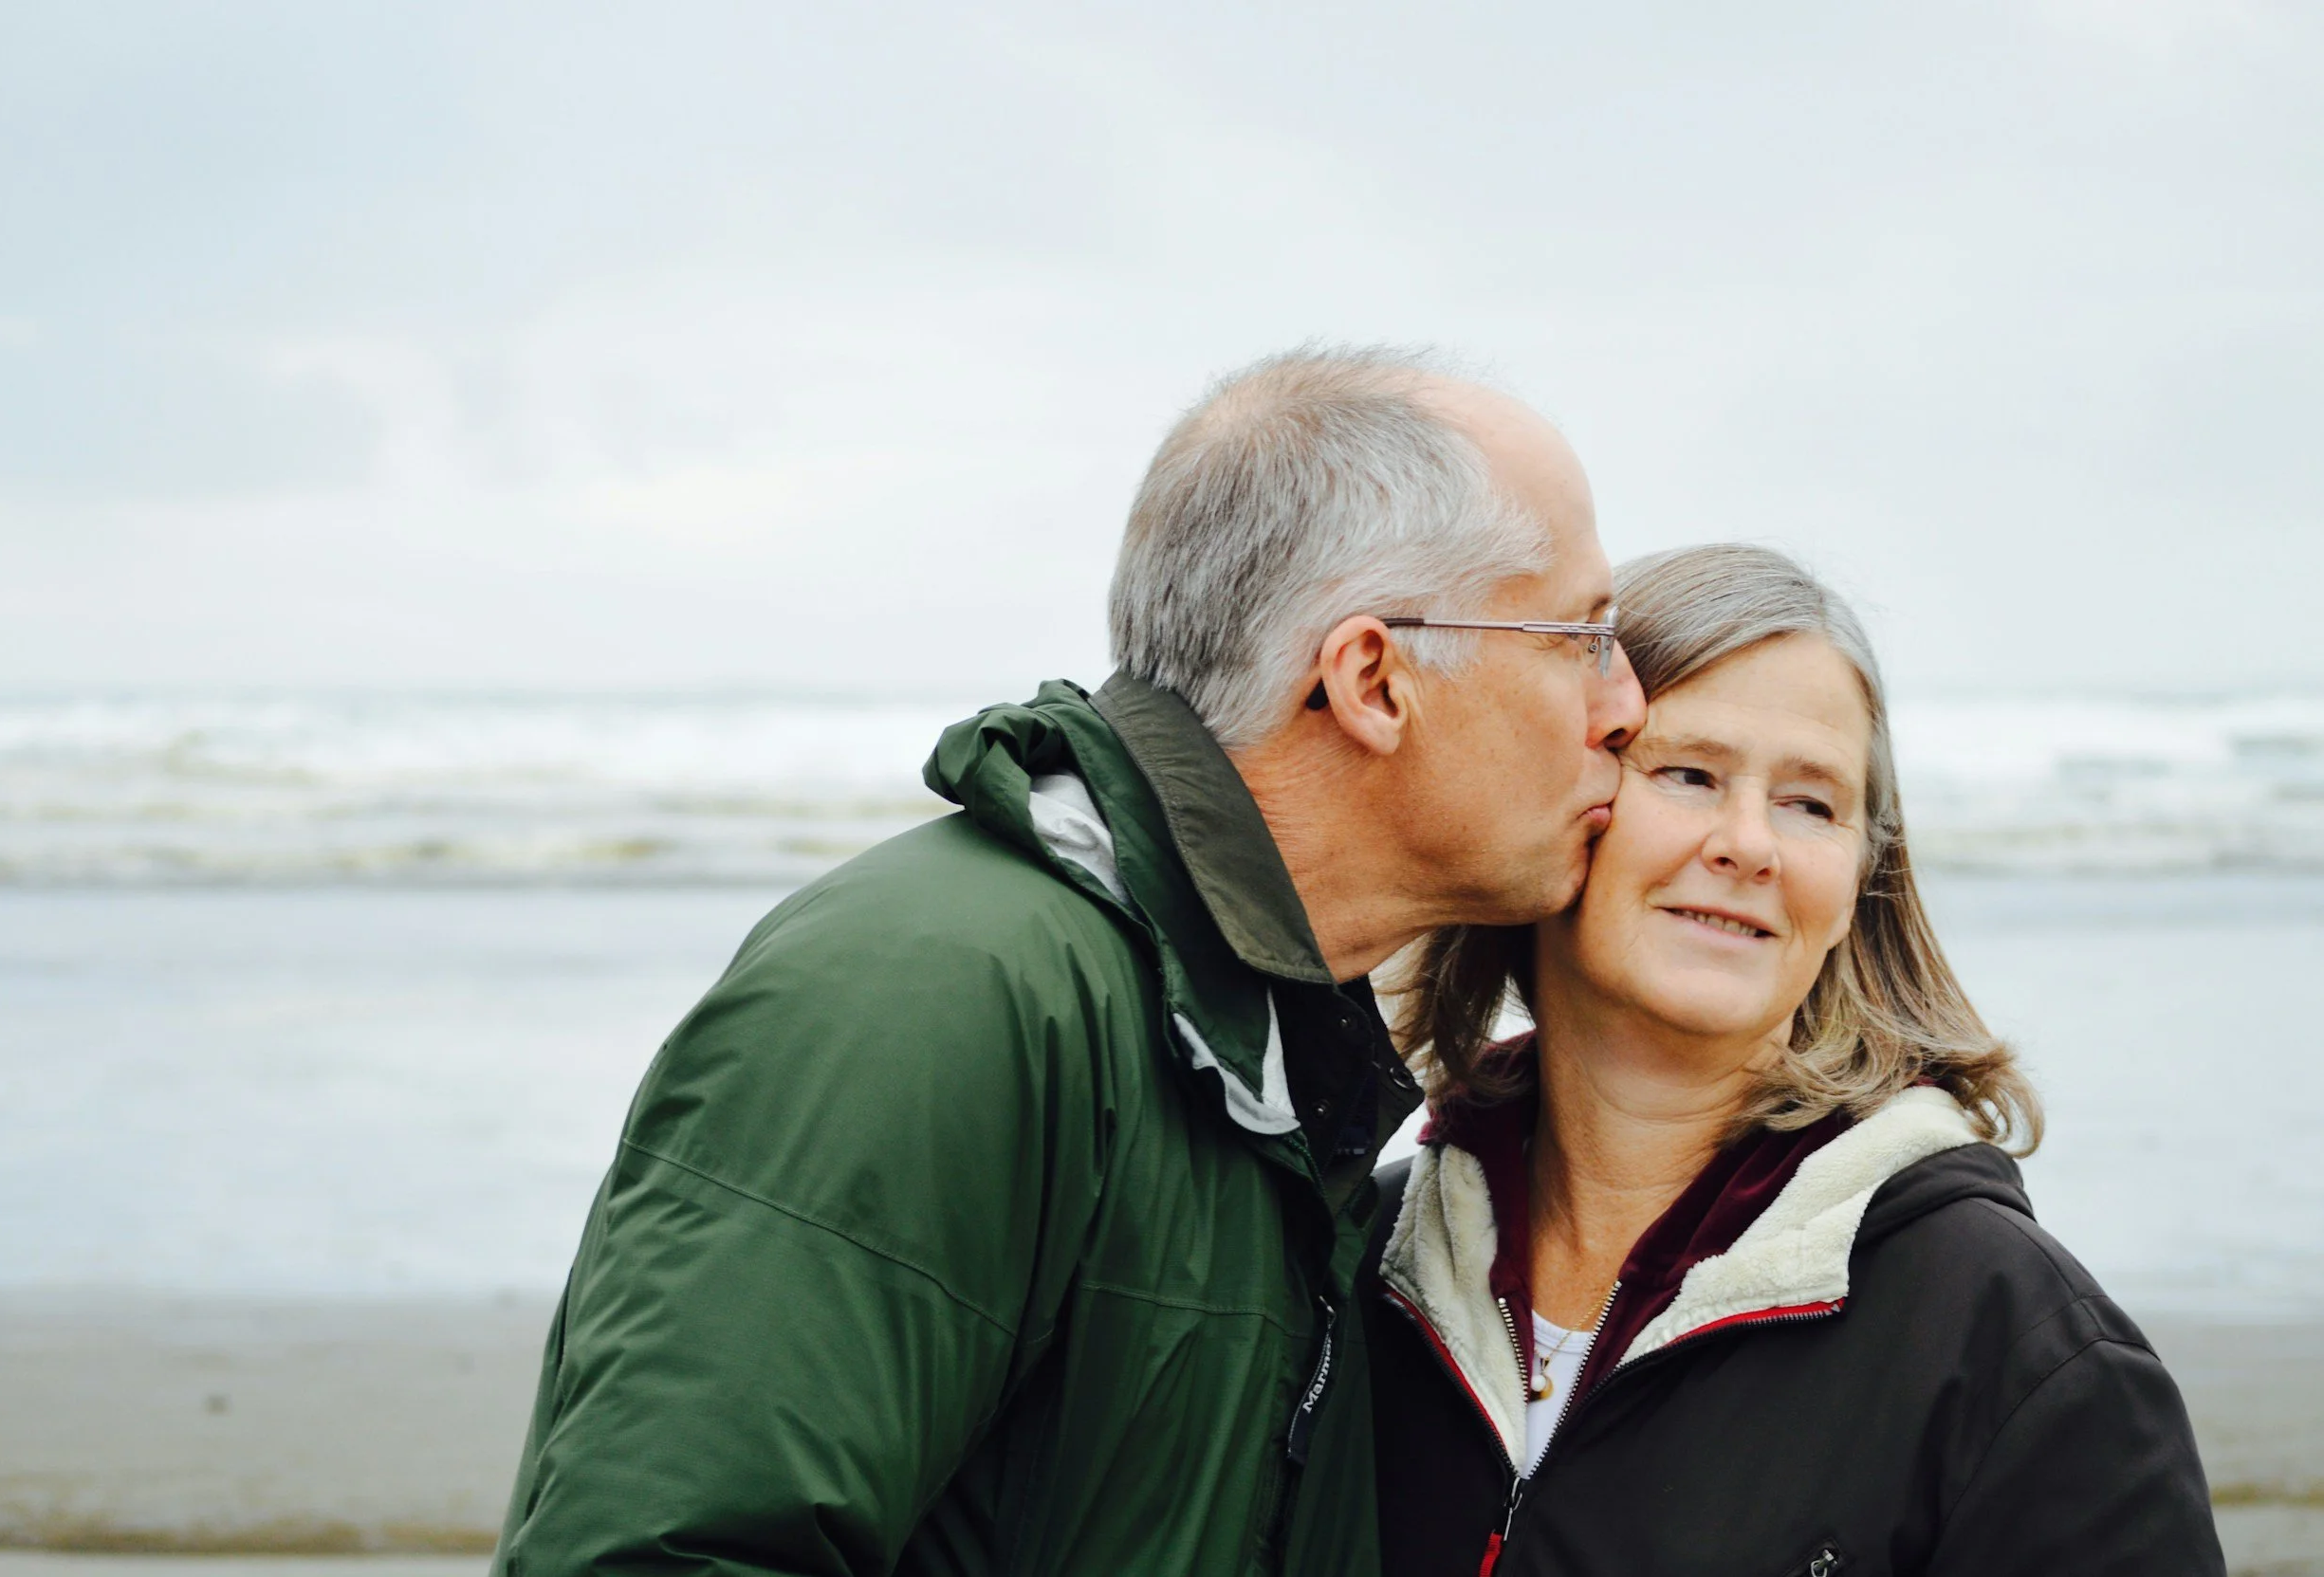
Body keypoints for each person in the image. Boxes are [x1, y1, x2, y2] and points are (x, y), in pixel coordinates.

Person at [489, 346, 1646, 1577]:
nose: (1625, 703)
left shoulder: (1266, 1059)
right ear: (1372, 678)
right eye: (1578, 634)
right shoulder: (943, 989)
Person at [1365, 541, 2223, 1575]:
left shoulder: (2016, 1346)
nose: (1748, 842)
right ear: (1563, 796)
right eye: (1687, 773)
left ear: (1862, 876)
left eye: (1810, 802)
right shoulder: (1362, 1262)